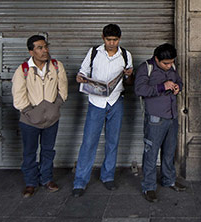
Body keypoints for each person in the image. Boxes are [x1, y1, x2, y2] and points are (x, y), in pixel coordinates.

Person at [72, 24, 133, 197]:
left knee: (112, 141)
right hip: (95, 103)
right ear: (103, 38)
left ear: (119, 39)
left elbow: (129, 82)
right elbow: (82, 73)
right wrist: (80, 78)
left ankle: (108, 177)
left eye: (115, 40)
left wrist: (128, 75)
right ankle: (80, 181)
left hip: (116, 102)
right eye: (108, 40)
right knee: (89, 142)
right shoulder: (93, 53)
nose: (112, 43)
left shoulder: (126, 55)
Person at [12, 35, 68, 197]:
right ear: (31, 51)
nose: (45, 51)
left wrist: (54, 108)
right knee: (30, 151)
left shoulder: (57, 66)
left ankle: (47, 179)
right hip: (29, 120)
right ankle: (30, 182)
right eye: (39, 48)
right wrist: (30, 112)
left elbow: (62, 91)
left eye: (45, 47)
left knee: (48, 150)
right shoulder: (23, 70)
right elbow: (18, 96)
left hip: (51, 118)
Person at [134, 43, 186, 202]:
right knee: (151, 153)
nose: (169, 65)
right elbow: (139, 90)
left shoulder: (172, 67)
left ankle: (168, 179)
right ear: (156, 59)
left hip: (172, 116)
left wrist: (178, 87)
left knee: (170, 151)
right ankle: (149, 187)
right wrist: (161, 87)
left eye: (171, 62)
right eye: (166, 63)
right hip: (155, 118)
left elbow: (180, 82)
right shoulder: (146, 68)